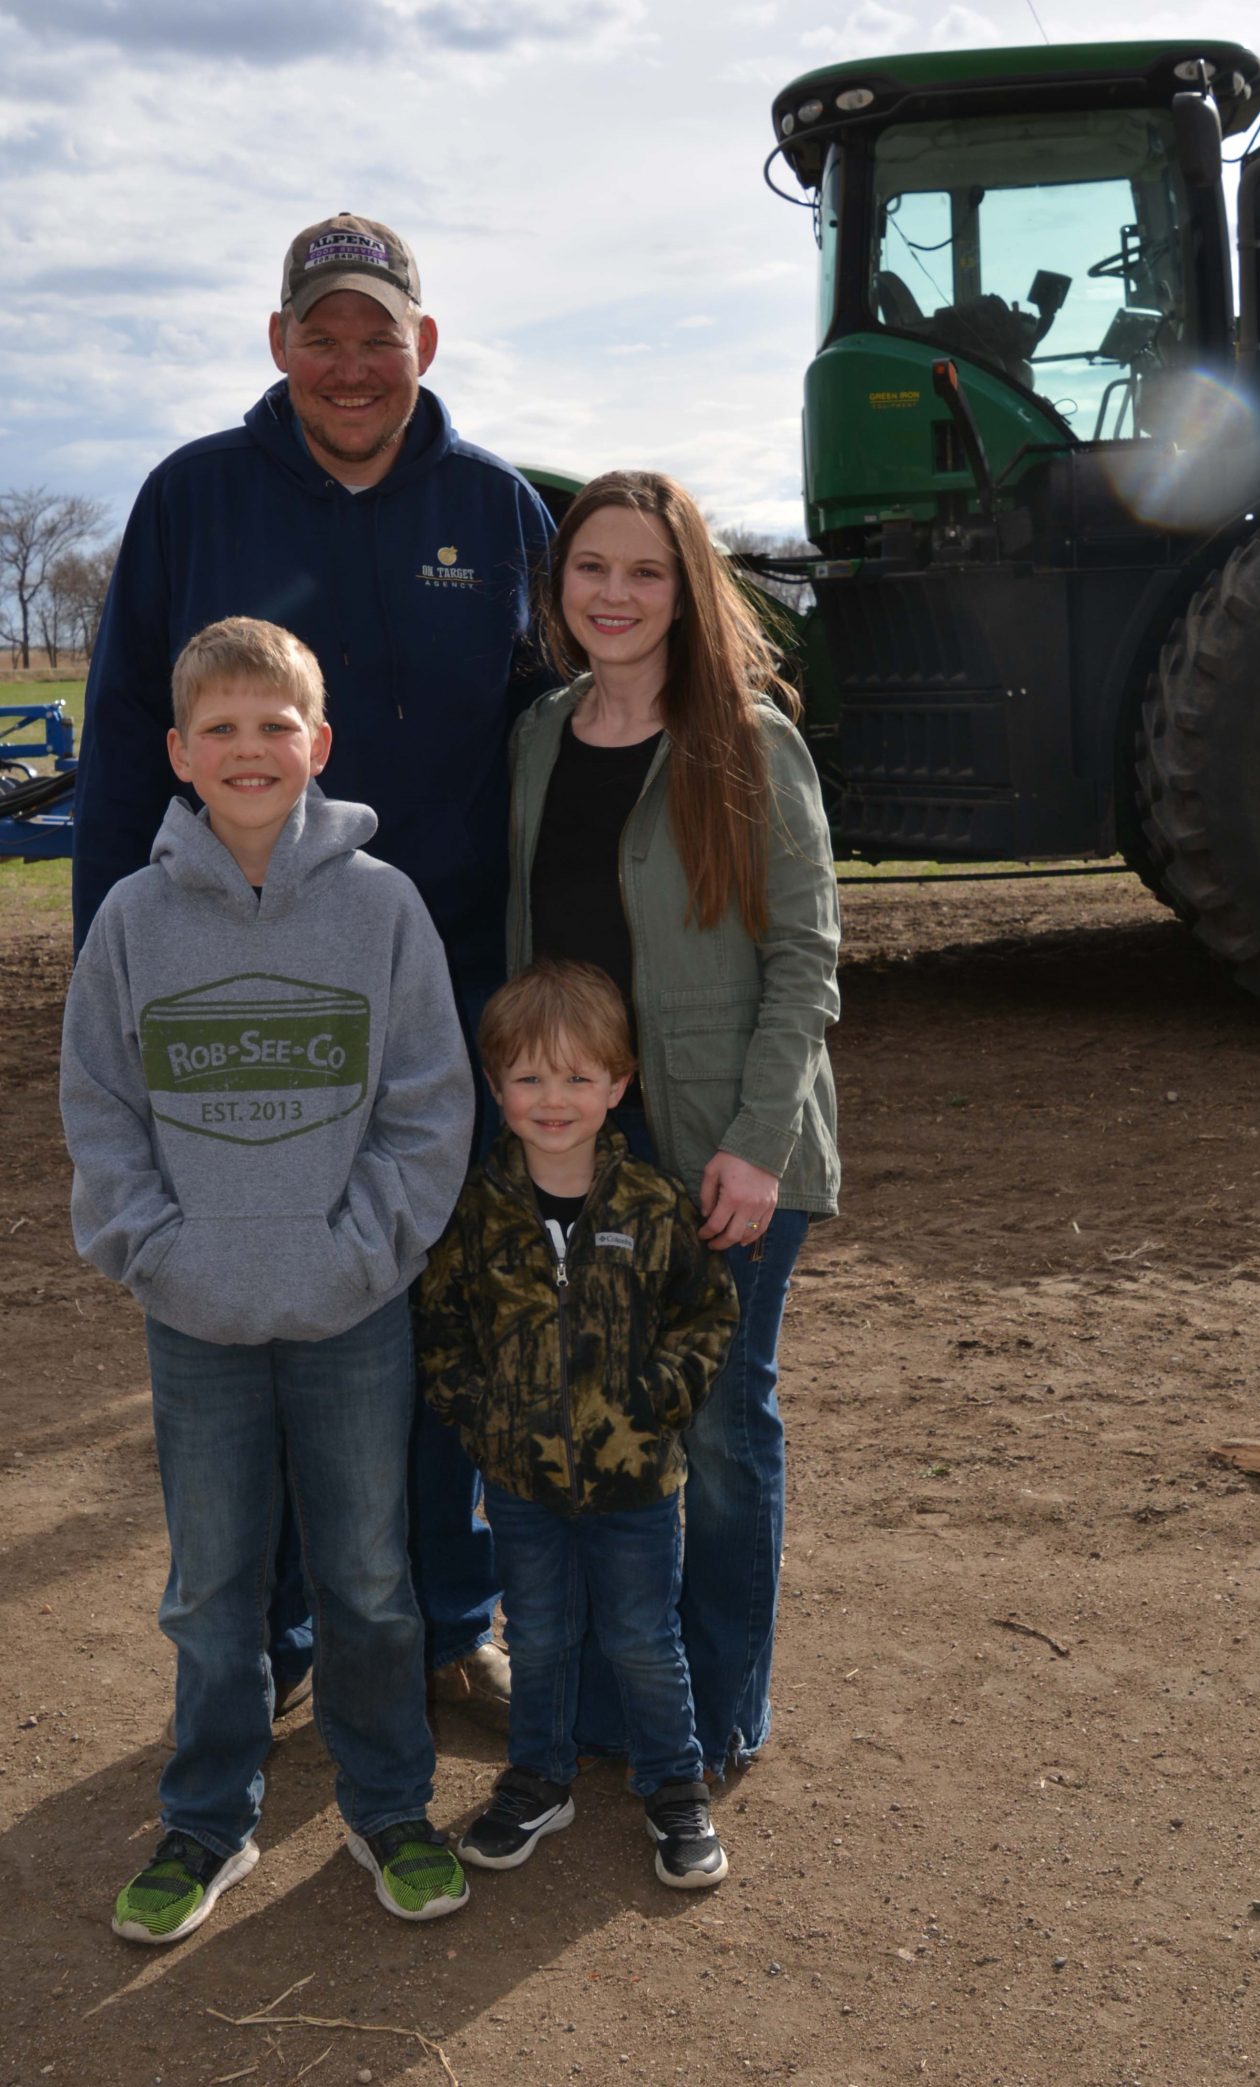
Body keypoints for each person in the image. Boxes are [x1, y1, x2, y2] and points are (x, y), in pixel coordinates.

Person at [71, 212, 555, 1729]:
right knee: (260, 1301)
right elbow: (113, 749)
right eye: (322, 333)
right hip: (238, 992)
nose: (352, 363)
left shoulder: (498, 507)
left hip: (450, 989)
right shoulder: (193, 498)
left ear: (426, 342)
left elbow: (552, 748)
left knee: (417, 1307)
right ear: (279, 344)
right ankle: (278, 1635)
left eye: (379, 333)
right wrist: (118, 968)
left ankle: (441, 1615)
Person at [60, 618, 473, 1942]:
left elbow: (428, 1109)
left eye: (274, 724)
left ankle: (388, 1801)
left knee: (366, 1571)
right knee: (213, 1583)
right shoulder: (132, 918)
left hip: (353, 1311)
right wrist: (161, 1253)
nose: (250, 749)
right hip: (196, 1317)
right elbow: (103, 1111)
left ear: (319, 744)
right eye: (221, 729)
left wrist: (357, 1255)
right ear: (179, 752)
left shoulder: (382, 908)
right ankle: (207, 1818)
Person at [506, 470, 840, 1777]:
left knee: (714, 1426)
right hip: (579, 1147)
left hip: (722, 1145)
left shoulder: (749, 735)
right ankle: (609, 1704)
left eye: (645, 570)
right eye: (592, 567)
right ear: (561, 583)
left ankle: (718, 1709)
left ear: (687, 587)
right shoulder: (538, 731)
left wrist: (757, 1142)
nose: (616, 594)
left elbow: (808, 952)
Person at [415, 959, 739, 1886]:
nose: (552, 1099)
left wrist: (664, 1397)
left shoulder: (652, 1204)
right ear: (495, 1088)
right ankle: (538, 1779)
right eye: (527, 1077)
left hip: (637, 1481)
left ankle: (676, 1789)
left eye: (577, 1077)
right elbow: (440, 1323)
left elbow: (708, 1313)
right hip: (520, 1483)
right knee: (542, 1635)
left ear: (618, 1086)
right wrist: (482, 1416)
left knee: (642, 1637)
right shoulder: (478, 1211)